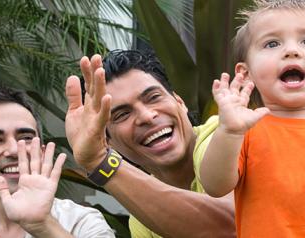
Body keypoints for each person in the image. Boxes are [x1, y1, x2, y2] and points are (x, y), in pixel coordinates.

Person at [199, 0, 305, 237]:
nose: (291, 50)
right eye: (272, 43)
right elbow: (215, 186)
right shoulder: (243, 131)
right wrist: (228, 133)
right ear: (246, 73)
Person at [65, 50, 235, 237]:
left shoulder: (227, 136)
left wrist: (99, 162)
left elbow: (232, 226)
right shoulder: (141, 220)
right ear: (108, 142)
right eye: (122, 115)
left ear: (179, 101)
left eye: (153, 97)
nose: (146, 116)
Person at [0, 86, 115, 238]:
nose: (14, 150)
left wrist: (43, 225)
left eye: (26, 137)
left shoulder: (82, 222)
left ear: (42, 152)